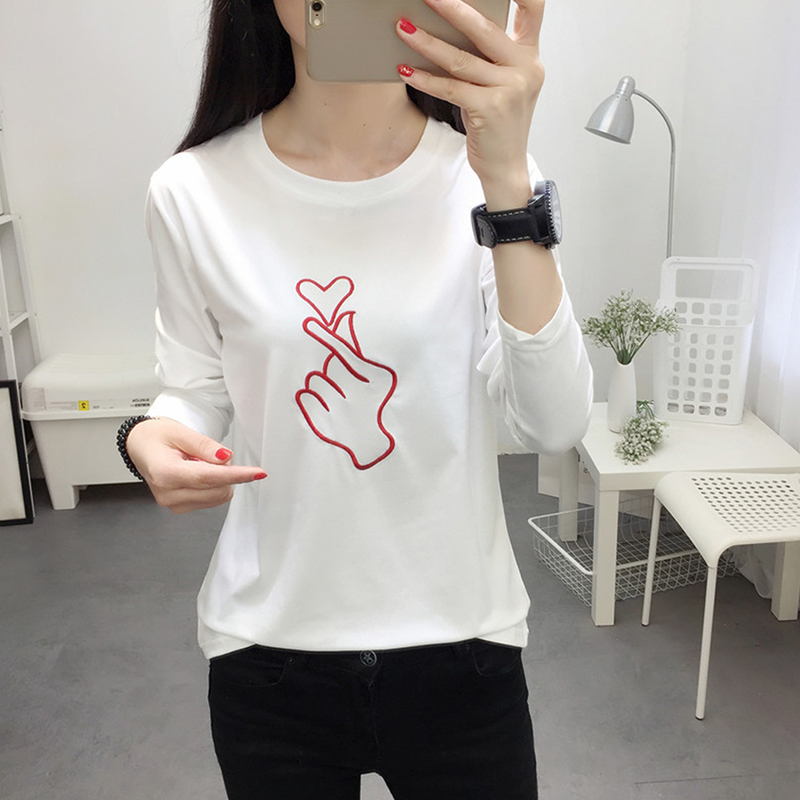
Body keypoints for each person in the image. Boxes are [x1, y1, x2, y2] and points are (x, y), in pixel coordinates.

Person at [121, 0, 593, 797]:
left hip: (462, 641)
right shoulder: (191, 190)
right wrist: (146, 436)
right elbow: (194, 388)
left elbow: (553, 421)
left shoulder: (485, 178)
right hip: (269, 650)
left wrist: (509, 181)